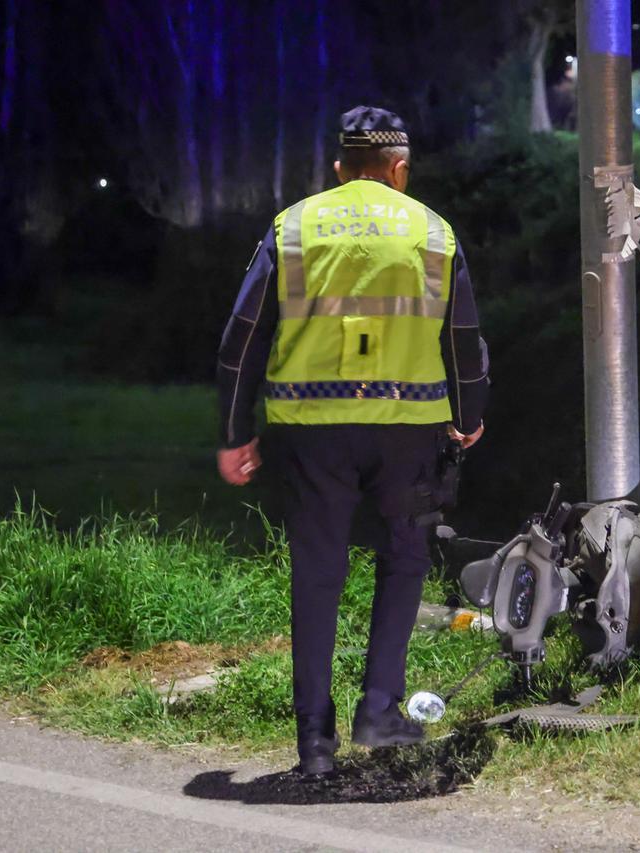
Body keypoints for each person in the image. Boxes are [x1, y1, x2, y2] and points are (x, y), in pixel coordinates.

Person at [214, 106, 489, 776]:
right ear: (398, 169)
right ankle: (379, 708)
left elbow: (241, 337)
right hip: (408, 429)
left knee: (317, 574)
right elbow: (464, 341)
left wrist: (234, 432)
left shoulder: (294, 226)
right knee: (404, 559)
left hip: (310, 434)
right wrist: (469, 411)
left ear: (338, 167)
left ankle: (314, 743)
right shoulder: (432, 231)